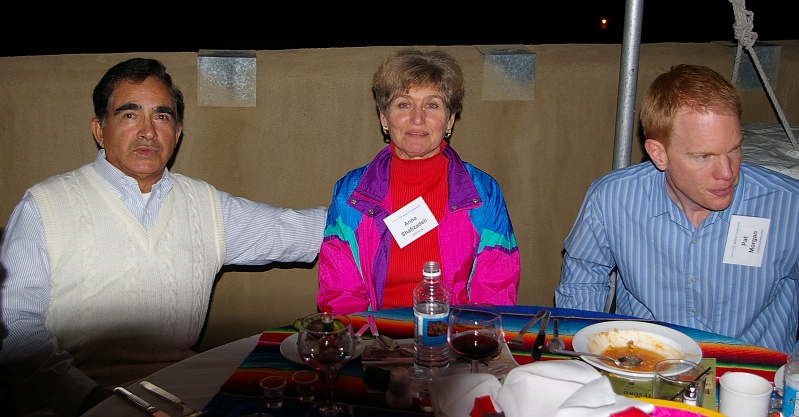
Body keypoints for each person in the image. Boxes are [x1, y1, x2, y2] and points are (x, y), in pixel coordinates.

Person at [0, 58, 326, 416]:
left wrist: (376, 203)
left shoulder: (204, 205)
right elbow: (14, 326)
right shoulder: (44, 206)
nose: (148, 131)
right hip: (70, 402)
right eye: (129, 114)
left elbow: (300, 230)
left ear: (177, 131)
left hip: (180, 394)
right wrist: (86, 397)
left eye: (161, 116)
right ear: (99, 129)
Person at [555, 64, 799, 354]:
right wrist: (586, 356)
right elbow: (583, 282)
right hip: (644, 366)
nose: (727, 172)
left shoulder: (788, 205)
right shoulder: (612, 199)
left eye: (734, 149)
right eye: (703, 156)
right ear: (659, 153)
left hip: (754, 373)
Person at [317, 50, 520, 314]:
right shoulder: (351, 194)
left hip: (455, 332)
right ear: (383, 117)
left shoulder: (483, 194)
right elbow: (340, 295)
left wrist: (459, 335)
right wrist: (371, 336)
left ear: (450, 119)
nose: (417, 118)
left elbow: (494, 293)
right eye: (404, 104)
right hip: (375, 333)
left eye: (432, 105)